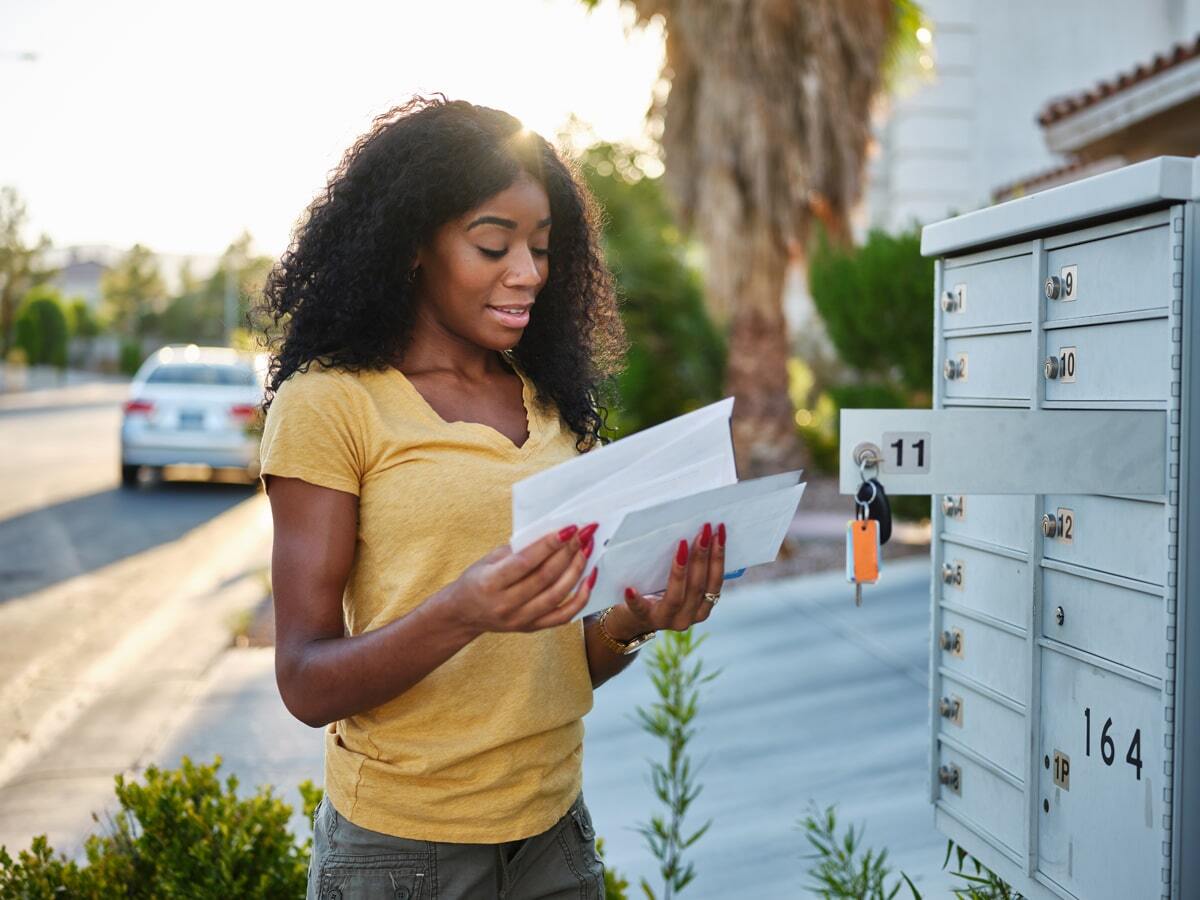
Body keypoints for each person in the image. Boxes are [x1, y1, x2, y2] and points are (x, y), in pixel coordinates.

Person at [255, 96, 730, 900]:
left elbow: (546, 666)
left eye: (542, 248)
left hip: (554, 836)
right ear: (412, 245)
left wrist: (629, 623)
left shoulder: (551, 407)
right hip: (403, 853)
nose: (529, 273)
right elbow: (305, 680)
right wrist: (464, 609)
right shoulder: (333, 402)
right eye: (492, 244)